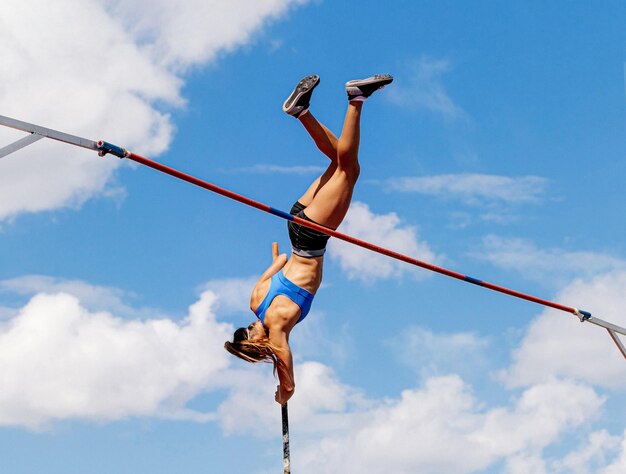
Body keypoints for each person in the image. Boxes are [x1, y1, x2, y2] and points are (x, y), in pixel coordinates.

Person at [224, 73, 393, 404]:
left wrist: (285, 392)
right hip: (296, 227)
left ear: (256, 344)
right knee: (340, 162)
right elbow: (281, 263)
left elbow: (286, 369)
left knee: (348, 171)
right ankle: (301, 111)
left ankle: (356, 98)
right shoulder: (256, 300)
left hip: (313, 237)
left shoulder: (276, 331)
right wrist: (274, 264)